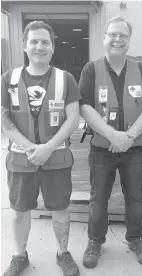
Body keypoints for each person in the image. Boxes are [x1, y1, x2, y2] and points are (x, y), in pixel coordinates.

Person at [1, 21, 81, 276]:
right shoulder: (8, 79)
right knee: (20, 210)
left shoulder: (65, 78)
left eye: (45, 42)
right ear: (24, 45)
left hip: (56, 159)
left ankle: (63, 253)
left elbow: (73, 118)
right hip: (21, 159)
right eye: (33, 41)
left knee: (60, 209)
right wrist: (30, 147)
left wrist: (47, 147)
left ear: (53, 47)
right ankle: (19, 256)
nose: (39, 46)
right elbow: (4, 118)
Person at [79, 15, 142, 268]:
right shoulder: (91, 69)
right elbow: (85, 106)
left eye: (123, 35)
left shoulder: (141, 70)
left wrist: (129, 136)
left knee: (134, 197)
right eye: (113, 34)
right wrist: (113, 135)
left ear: (129, 40)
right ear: (104, 38)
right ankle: (95, 241)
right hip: (102, 149)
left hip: (133, 149)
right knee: (98, 198)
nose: (117, 39)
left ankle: (135, 239)